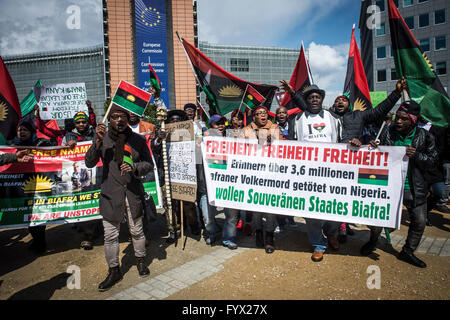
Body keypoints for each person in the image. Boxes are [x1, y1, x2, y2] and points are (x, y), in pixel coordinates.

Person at [360, 101, 438, 268]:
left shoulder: (426, 137)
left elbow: (433, 161)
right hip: (389, 187)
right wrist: (375, 147)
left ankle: (408, 251)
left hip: (414, 188)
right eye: (397, 118)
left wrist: (417, 155)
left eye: (404, 119)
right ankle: (373, 241)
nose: (399, 122)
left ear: (413, 120)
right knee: (376, 219)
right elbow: (379, 155)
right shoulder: (388, 132)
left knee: (419, 221)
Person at [85, 105, 153, 291]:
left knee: (137, 232)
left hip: (132, 193)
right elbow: (89, 162)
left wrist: (136, 168)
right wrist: (97, 143)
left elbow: (149, 164)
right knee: (110, 235)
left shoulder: (138, 140)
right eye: (114, 117)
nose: (119, 120)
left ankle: (140, 261)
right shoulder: (103, 139)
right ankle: (114, 270)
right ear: (109, 120)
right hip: (110, 194)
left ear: (128, 119)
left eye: (122, 116)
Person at [289, 85, 342, 262]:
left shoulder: (333, 117)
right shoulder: (297, 119)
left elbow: (342, 142)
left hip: (331, 172)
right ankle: (318, 244)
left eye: (317, 97)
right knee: (310, 209)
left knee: (333, 207)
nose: (313, 99)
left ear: (322, 99)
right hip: (307, 174)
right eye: (310, 97)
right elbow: (291, 145)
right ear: (306, 100)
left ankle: (332, 234)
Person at [241, 106, 282, 254]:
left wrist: (273, 142)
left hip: (270, 173)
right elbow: (239, 148)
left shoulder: (275, 128)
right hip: (253, 173)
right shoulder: (246, 130)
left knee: (270, 206)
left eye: (264, 113)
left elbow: (281, 149)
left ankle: (269, 236)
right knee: (256, 205)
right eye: (259, 113)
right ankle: (258, 231)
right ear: (254, 117)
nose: (262, 115)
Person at [10, 121, 55, 254]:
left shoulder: (40, 143)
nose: (22, 132)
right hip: (22, 185)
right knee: (27, 214)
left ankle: (41, 243)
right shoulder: (12, 147)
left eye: (25, 130)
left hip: (39, 183)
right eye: (19, 130)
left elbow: (53, 146)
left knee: (38, 212)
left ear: (31, 132)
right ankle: (36, 240)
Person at [202, 114, 240, 249]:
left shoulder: (231, 139)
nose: (220, 126)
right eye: (217, 123)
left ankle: (228, 238)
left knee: (232, 215)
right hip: (208, 185)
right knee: (207, 217)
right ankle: (212, 232)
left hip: (229, 184)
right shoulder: (201, 141)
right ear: (210, 126)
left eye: (222, 123)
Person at [273, 106, 298, 232]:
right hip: (277, 165)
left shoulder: (294, 126)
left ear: (287, 115)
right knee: (279, 194)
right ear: (276, 115)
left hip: (291, 164)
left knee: (290, 193)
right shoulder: (272, 127)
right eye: (279, 113)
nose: (281, 114)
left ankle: (290, 217)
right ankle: (280, 222)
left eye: (284, 112)